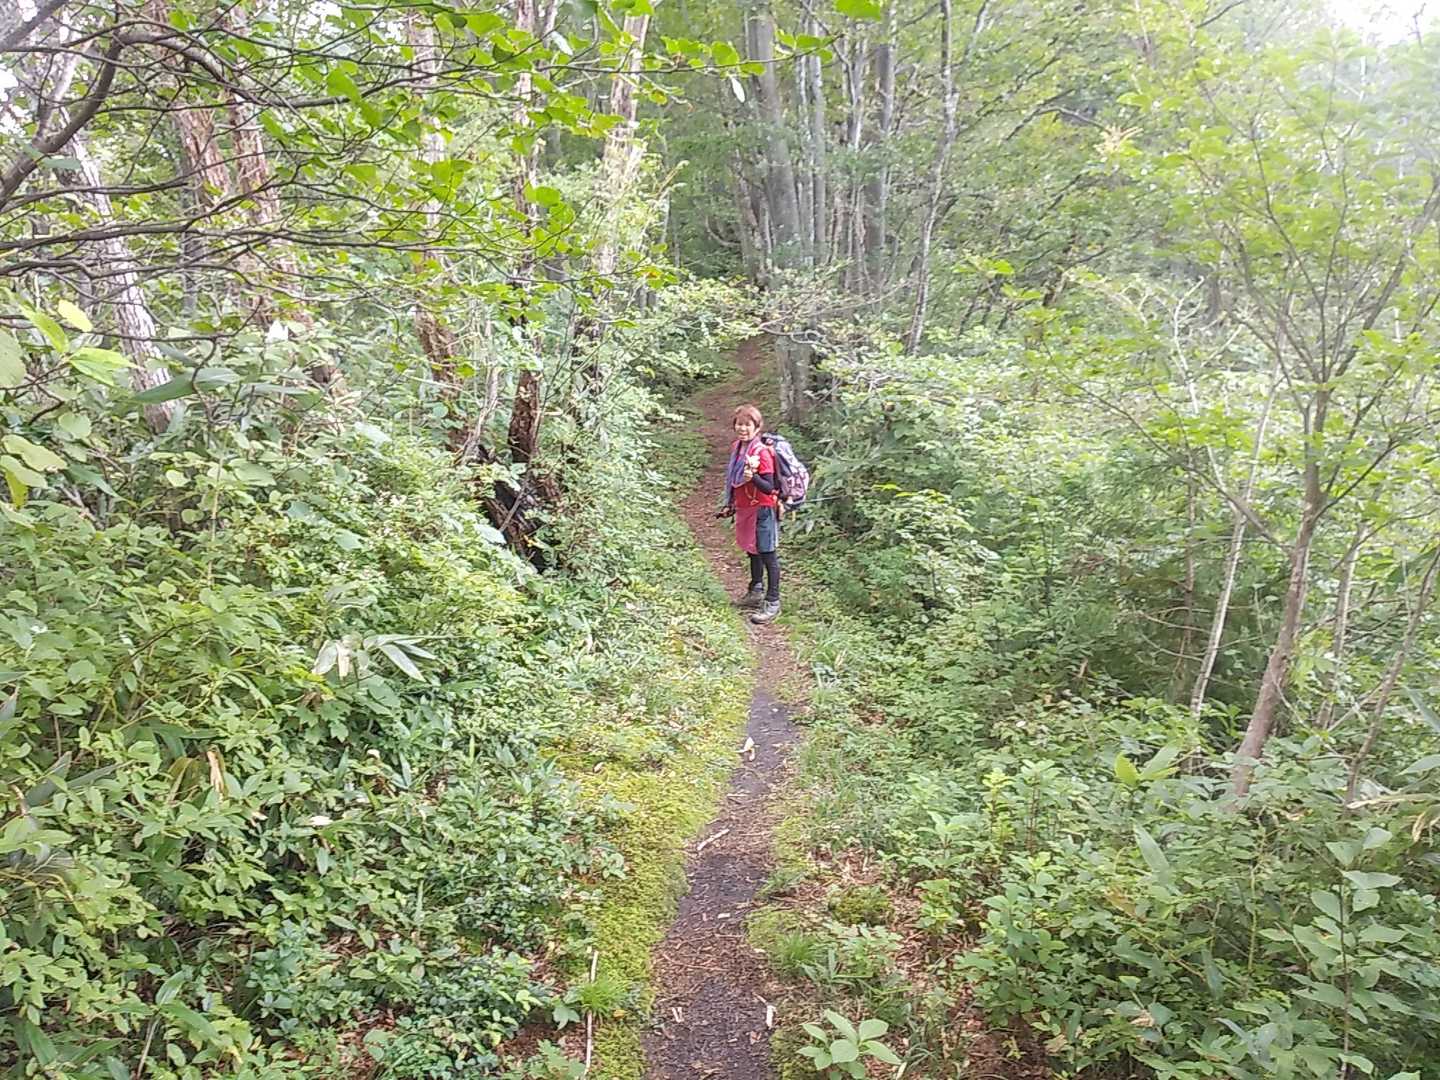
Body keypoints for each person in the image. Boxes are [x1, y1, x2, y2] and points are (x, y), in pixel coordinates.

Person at [724, 404, 781, 624]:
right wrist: (730, 502)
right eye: (739, 424)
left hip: (762, 509)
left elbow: (769, 487)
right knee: (752, 551)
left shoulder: (762, 452)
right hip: (745, 508)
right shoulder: (738, 447)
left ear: (757, 427)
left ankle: (773, 601)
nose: (743, 428)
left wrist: (753, 478)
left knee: (767, 553)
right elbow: (733, 478)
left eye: (748, 425)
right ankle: (756, 590)